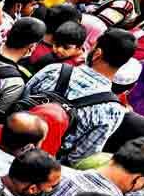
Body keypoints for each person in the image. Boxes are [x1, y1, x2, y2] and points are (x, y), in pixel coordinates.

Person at [23, 28, 134, 164]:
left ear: (97, 53)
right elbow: (81, 156)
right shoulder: (113, 110)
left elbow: (22, 98)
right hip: (37, 163)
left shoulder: (55, 70)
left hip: (11, 137)